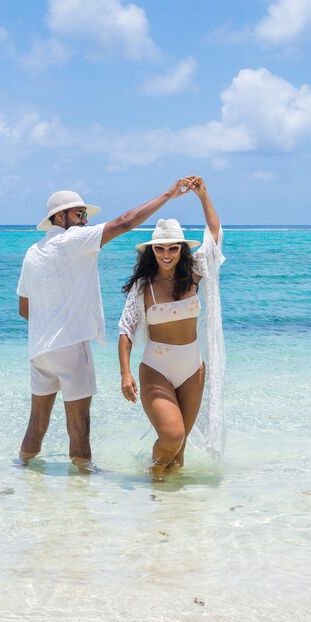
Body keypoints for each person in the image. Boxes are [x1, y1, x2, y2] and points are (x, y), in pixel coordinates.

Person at [17, 179, 195, 471]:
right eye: (80, 214)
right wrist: (167, 195)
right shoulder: (72, 240)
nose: (86, 221)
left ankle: (21, 470)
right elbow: (125, 222)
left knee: (37, 423)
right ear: (59, 218)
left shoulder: (32, 252)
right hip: (71, 346)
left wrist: (52, 321)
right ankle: (84, 483)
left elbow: (25, 309)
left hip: (39, 349)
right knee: (79, 424)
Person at [117, 177, 226, 479]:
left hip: (193, 368)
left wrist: (203, 196)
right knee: (172, 436)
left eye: (173, 249)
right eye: (161, 249)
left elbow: (214, 238)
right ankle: (153, 477)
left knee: (179, 452)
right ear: (152, 251)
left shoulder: (194, 273)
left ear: (181, 249)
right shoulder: (143, 287)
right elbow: (126, 331)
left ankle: (171, 513)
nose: (167, 254)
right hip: (157, 368)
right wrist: (125, 374)